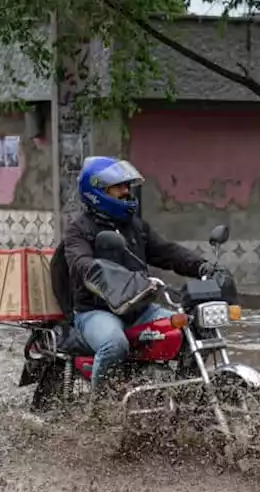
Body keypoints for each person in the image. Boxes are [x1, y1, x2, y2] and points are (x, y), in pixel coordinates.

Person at [63, 156, 217, 399]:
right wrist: (108, 278)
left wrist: (203, 267)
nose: (126, 191)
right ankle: (100, 411)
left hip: (139, 308)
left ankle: (184, 400)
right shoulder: (79, 231)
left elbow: (165, 252)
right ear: (97, 190)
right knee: (114, 344)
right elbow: (81, 265)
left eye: (127, 186)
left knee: (192, 327)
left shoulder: (135, 227)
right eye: (118, 187)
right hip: (96, 312)